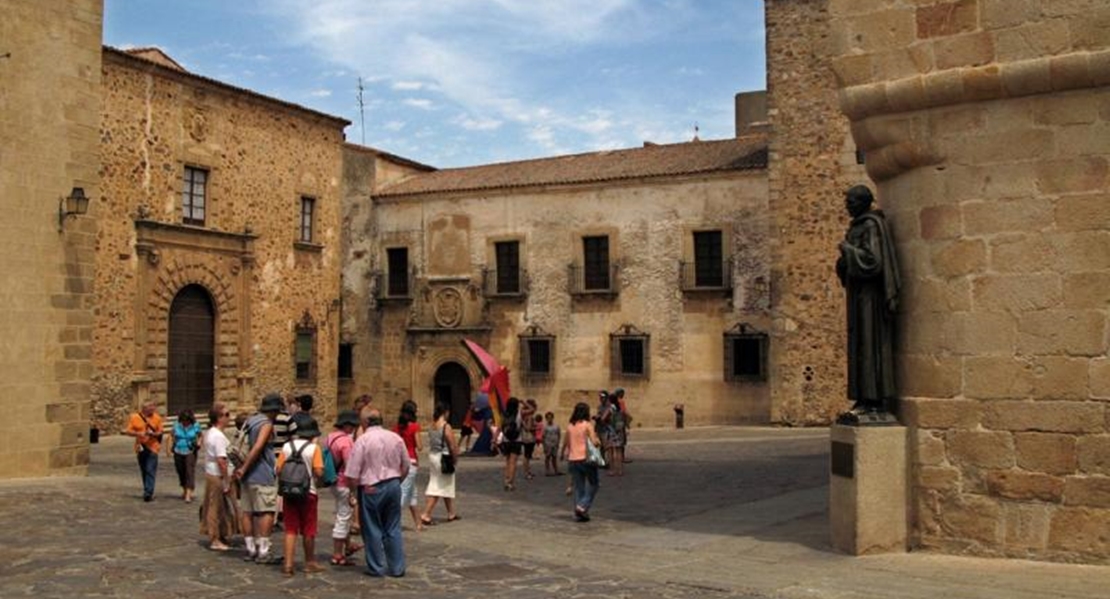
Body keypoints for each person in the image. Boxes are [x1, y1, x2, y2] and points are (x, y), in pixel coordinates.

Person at [836, 184, 901, 420]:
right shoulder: (859, 226)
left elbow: (874, 262)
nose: (847, 206)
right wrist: (844, 261)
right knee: (860, 344)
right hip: (858, 294)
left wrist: (848, 250)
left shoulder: (871, 226)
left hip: (870, 299)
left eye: (851, 202)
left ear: (863, 202)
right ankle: (863, 398)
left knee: (870, 343)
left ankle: (874, 400)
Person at [345, 408, 409, 578]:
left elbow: (352, 472)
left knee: (372, 527)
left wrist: (353, 492)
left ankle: (376, 566)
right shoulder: (396, 438)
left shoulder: (363, 440)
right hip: (393, 484)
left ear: (365, 423)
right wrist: (397, 481)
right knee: (393, 526)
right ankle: (397, 567)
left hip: (371, 486)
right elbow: (406, 465)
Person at [234, 393, 282, 564]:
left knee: (248, 511)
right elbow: (258, 446)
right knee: (266, 511)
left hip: (246, 476)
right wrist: (246, 466)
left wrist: (241, 469)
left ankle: (250, 548)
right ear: (274, 410)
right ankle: (263, 550)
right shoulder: (266, 424)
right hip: (261, 473)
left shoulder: (250, 420)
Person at [275, 415, 326, 577]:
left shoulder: (287, 446)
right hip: (307, 492)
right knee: (308, 529)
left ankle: (288, 564)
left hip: (289, 491)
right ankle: (309, 562)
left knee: (290, 529)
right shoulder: (314, 448)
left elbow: (278, 469)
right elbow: (318, 472)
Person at [326, 410, 361, 566]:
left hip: (333, 481)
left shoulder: (331, 437)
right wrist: (354, 489)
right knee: (343, 516)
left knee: (342, 513)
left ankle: (348, 545)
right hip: (343, 483)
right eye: (352, 425)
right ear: (347, 425)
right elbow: (350, 467)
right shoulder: (346, 442)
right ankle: (337, 554)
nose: (354, 428)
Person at [200, 405, 236, 551]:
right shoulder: (218, 436)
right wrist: (226, 480)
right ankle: (214, 538)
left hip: (212, 472)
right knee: (214, 507)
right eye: (227, 414)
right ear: (219, 418)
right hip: (217, 475)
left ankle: (221, 533)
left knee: (220, 506)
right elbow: (222, 460)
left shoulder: (211, 433)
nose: (229, 417)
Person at [561, 402, 602, 522]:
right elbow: (594, 442)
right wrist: (598, 441)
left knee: (579, 487)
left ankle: (580, 513)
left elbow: (566, 443)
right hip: (585, 459)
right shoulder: (587, 425)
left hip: (573, 459)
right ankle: (582, 506)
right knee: (594, 484)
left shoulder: (570, 426)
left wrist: (563, 453)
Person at [420, 403, 460, 526]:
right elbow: (452, 445)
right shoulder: (445, 426)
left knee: (443, 483)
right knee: (439, 486)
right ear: (445, 412)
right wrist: (455, 458)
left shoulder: (432, 425)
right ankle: (426, 514)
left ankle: (451, 513)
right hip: (443, 457)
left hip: (433, 456)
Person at [123, 401, 164, 502]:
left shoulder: (157, 418)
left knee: (150, 469)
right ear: (144, 408)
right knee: (144, 469)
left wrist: (153, 434)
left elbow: (160, 432)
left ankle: (148, 492)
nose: (152, 408)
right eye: (150, 406)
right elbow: (127, 431)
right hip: (140, 447)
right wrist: (138, 433)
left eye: (153, 406)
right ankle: (147, 489)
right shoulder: (135, 417)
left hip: (153, 447)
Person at [392, 400, 423, 531]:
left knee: (412, 494)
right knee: (404, 494)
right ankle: (392, 522)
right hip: (411, 462)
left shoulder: (396, 428)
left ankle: (418, 524)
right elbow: (420, 446)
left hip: (399, 462)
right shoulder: (414, 427)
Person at [165, 409, 202, 502]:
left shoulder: (195, 425)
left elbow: (200, 435)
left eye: (187, 421)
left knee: (189, 471)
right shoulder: (177, 425)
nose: (185, 423)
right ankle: (185, 488)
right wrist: (168, 449)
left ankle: (188, 494)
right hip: (178, 450)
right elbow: (170, 436)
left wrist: (199, 443)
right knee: (181, 471)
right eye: (184, 421)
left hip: (190, 451)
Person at [499, 397, 523, 491]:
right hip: (516, 440)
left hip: (506, 440)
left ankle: (506, 481)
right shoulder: (519, 414)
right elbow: (532, 410)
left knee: (507, 462)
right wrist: (523, 403)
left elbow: (501, 427)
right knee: (513, 462)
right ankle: (510, 483)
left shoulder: (504, 414)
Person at [612, 387, 633, 464]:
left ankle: (615, 457)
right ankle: (622, 457)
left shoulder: (613, 403)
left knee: (615, 441)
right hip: (621, 423)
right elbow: (623, 412)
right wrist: (628, 422)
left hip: (614, 424)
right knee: (622, 441)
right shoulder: (621, 402)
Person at [519, 399, 538, 480]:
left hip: (526, 437)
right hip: (529, 437)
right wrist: (535, 428)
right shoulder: (528, 416)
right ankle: (527, 473)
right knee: (527, 456)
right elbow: (528, 428)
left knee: (527, 456)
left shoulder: (523, 414)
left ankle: (528, 471)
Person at [542, 411, 562, 476]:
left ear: (553, 418)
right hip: (548, 444)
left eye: (550, 418)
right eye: (548, 418)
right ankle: (547, 470)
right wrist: (544, 446)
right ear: (546, 419)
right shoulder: (545, 427)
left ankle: (556, 470)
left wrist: (558, 442)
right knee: (547, 457)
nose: (549, 419)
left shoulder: (556, 426)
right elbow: (543, 436)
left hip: (555, 444)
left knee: (554, 457)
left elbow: (559, 434)